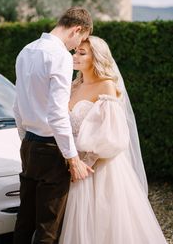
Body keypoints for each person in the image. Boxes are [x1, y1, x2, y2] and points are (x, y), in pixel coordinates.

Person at [59, 36, 167, 244]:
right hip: (71, 162)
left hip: (98, 167)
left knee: (104, 225)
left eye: (82, 53)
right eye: (76, 51)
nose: (75, 56)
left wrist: (84, 164)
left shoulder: (106, 86)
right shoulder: (73, 85)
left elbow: (112, 136)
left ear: (96, 58)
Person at [12, 6, 94, 244]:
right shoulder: (59, 56)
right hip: (51, 149)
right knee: (48, 228)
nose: (76, 47)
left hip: (29, 144)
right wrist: (73, 159)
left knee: (24, 220)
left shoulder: (26, 51)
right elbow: (57, 113)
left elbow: (17, 106)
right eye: (81, 39)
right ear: (77, 29)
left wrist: (26, 140)